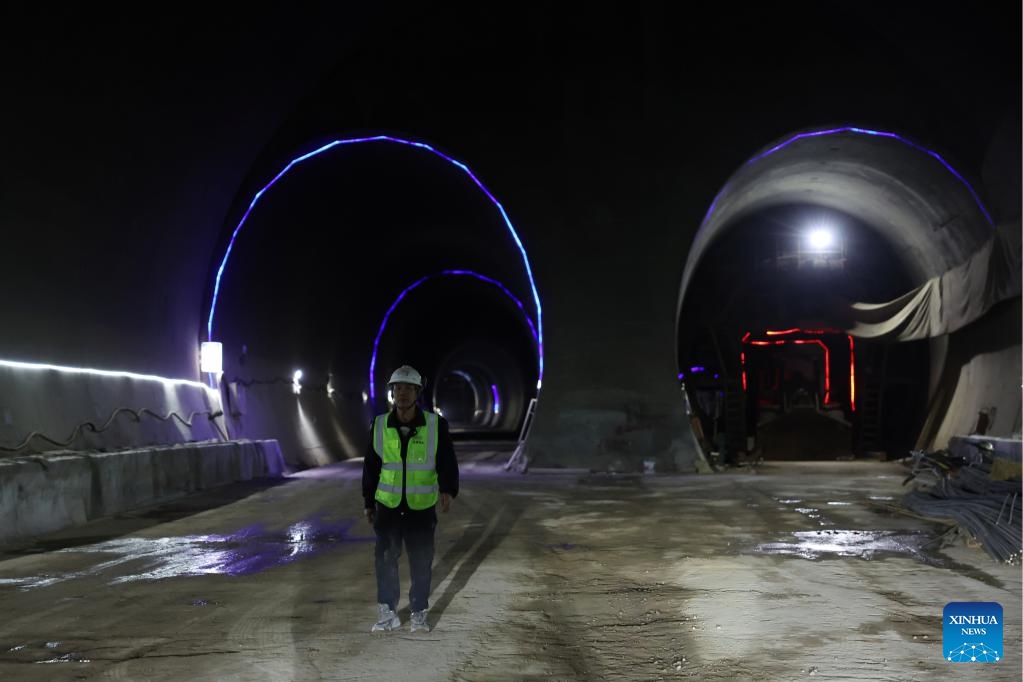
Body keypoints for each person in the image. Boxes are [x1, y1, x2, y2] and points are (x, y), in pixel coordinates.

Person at [362, 364, 459, 633]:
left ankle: (418, 611)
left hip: (421, 506)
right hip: (388, 505)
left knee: (421, 560)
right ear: (392, 392)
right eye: (398, 388)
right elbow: (371, 466)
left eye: (408, 388)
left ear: (418, 393)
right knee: (385, 559)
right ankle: (387, 611)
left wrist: (448, 489)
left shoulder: (435, 425)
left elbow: (446, 460)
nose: (402, 393)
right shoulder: (379, 424)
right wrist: (369, 501)